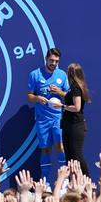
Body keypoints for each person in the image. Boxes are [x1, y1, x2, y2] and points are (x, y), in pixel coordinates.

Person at [25, 47, 69, 185]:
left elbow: (68, 95)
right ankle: (45, 182)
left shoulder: (62, 75)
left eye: (56, 61)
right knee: (45, 148)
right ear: (46, 59)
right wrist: (38, 98)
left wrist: (59, 92)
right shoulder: (35, 74)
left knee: (60, 146)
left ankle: (64, 181)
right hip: (42, 118)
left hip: (58, 117)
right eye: (51, 60)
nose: (54, 63)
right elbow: (29, 96)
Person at [61, 63, 91, 175]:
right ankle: (72, 181)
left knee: (76, 154)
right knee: (69, 155)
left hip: (75, 125)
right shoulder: (74, 87)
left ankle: (87, 180)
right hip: (68, 124)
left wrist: (62, 106)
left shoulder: (75, 87)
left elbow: (77, 107)